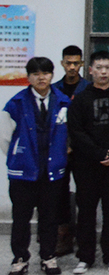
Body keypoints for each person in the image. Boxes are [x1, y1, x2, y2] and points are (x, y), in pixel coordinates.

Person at [1, 57, 71, 275]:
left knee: (50, 217)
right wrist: (20, 157)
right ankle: (20, 259)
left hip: (51, 171)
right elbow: (4, 138)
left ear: (52, 75)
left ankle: (48, 257)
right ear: (29, 77)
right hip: (23, 172)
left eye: (46, 73)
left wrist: (61, 154)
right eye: (36, 74)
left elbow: (70, 133)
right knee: (21, 218)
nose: (41, 78)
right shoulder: (16, 103)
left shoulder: (63, 101)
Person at [68, 51, 109, 274]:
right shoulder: (81, 98)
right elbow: (76, 131)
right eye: (99, 68)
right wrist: (98, 153)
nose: (103, 72)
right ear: (90, 70)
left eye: (107, 68)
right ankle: (85, 257)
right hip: (86, 165)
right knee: (86, 212)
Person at [52, 45, 90, 256]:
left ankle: (84, 238)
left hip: (83, 151)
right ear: (62, 63)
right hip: (58, 151)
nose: (72, 67)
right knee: (59, 194)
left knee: (85, 194)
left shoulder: (89, 88)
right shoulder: (53, 89)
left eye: (76, 63)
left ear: (82, 64)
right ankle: (62, 237)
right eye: (68, 63)